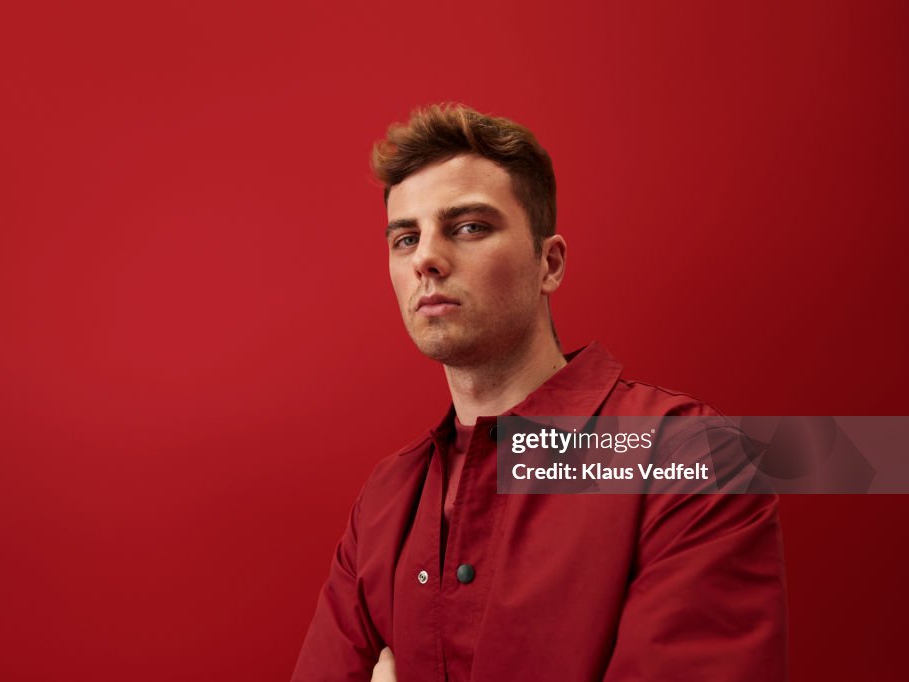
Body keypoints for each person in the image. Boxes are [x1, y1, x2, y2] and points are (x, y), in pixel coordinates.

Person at [291, 103, 787, 681]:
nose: (426, 257)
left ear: (548, 263)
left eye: (469, 226)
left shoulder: (688, 455)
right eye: (404, 239)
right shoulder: (384, 499)